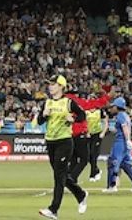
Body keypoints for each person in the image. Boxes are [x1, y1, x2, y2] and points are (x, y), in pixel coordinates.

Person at [36, 76, 88, 219]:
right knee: (62, 175)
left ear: (61, 86)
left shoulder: (69, 102)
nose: (50, 87)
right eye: (49, 84)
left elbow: (82, 115)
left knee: (58, 177)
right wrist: (44, 115)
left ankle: (53, 209)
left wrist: (74, 119)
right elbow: (40, 121)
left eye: (53, 84)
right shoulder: (48, 102)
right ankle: (81, 194)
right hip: (50, 141)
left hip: (64, 141)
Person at [102, 96, 132, 193]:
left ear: (117, 107)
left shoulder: (120, 115)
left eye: (113, 106)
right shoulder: (125, 115)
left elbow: (125, 128)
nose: (112, 108)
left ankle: (112, 186)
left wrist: (127, 140)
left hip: (120, 142)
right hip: (124, 143)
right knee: (126, 164)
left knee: (113, 162)